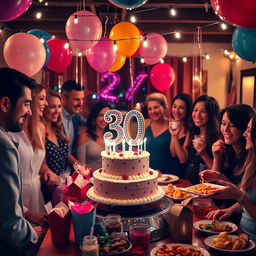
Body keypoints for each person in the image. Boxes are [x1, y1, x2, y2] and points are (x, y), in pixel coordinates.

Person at [0, 67, 44, 255]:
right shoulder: (5, 146)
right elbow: (9, 224)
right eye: (26, 104)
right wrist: (33, 236)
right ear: (5, 103)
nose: (29, 112)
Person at [8, 84, 58, 227]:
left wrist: (47, 171)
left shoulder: (40, 128)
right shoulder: (10, 130)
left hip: (37, 193)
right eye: (42, 98)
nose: (46, 104)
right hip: (17, 197)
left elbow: (41, 164)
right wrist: (27, 212)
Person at [206, 113, 256, 242]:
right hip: (242, 234)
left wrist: (239, 196)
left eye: (249, 130)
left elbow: (243, 197)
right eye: (223, 123)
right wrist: (230, 210)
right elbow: (248, 199)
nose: (245, 134)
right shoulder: (252, 162)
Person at [201, 104, 254, 186]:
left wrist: (220, 178)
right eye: (223, 123)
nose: (225, 129)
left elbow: (243, 195)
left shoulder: (251, 156)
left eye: (232, 125)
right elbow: (212, 186)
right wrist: (216, 158)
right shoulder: (226, 150)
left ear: (244, 127)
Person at [43, 89, 81, 203]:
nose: (57, 111)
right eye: (52, 107)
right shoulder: (39, 132)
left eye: (59, 107)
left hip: (65, 186)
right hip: (49, 189)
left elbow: (65, 155)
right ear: (43, 107)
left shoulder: (57, 128)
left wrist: (81, 168)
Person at [183, 95, 220, 184]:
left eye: (203, 111)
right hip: (190, 183)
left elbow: (217, 173)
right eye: (195, 110)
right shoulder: (192, 132)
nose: (197, 115)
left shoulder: (218, 138)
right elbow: (183, 158)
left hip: (206, 187)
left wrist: (204, 154)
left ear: (211, 114)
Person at [145, 92, 180, 175]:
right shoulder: (146, 123)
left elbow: (174, 154)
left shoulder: (173, 125)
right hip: (147, 174)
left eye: (156, 107)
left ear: (164, 108)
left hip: (167, 176)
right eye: (150, 109)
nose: (153, 111)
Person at [77, 101, 111, 170]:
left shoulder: (111, 137)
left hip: (111, 178)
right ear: (94, 117)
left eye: (107, 116)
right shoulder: (84, 136)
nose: (105, 119)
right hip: (91, 178)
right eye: (101, 115)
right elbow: (81, 166)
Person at [169, 93, 192, 178]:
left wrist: (175, 136)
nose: (176, 111)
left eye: (181, 108)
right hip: (173, 173)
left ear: (188, 110)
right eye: (174, 106)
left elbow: (183, 159)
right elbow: (173, 154)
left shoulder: (190, 129)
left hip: (185, 174)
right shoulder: (174, 125)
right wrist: (174, 135)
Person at [61, 80, 86, 157]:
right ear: (64, 97)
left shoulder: (76, 116)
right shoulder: (54, 116)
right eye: (76, 99)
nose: (80, 104)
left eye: (82, 99)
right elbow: (63, 152)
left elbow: (92, 124)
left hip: (71, 167)